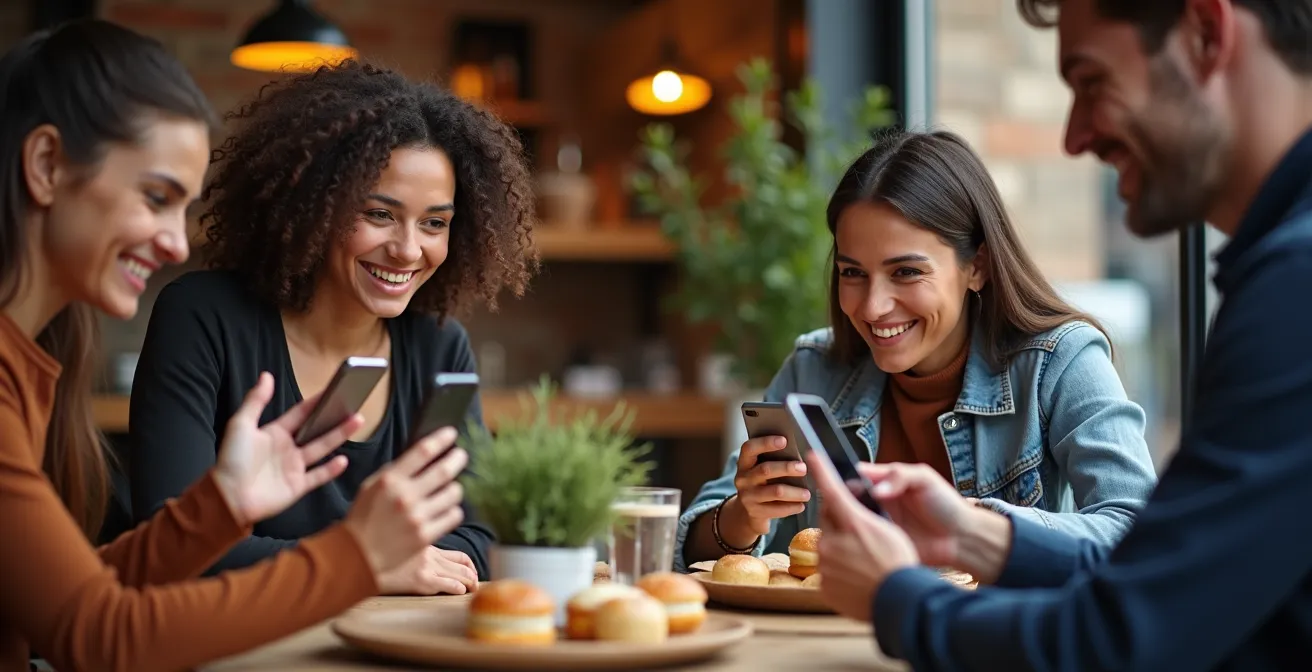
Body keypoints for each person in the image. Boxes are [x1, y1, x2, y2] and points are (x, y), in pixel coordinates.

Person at [808, 0, 1312, 669]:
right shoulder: (1279, 276)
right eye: (852, 272)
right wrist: (974, 535)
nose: (1075, 138)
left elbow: (1119, 641)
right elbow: (1175, 592)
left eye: (1091, 82)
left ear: (1206, 32)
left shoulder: (1294, 289)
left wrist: (896, 598)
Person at [0, 19, 471, 672]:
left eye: (436, 223)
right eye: (155, 198)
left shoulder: (33, 363)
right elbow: (99, 635)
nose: (176, 243)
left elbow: (77, 595)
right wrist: (357, 560)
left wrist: (217, 511)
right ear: (47, 166)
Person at [126, 58, 537, 595]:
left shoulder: (438, 346)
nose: (409, 249)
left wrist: (385, 565)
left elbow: (479, 535)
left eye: (434, 223)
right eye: (379, 214)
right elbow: (169, 544)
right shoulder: (203, 317)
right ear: (314, 204)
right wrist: (366, 564)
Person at [675, 128, 1158, 573]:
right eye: (852, 272)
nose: (873, 306)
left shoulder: (1061, 361)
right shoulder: (814, 369)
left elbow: (1142, 532)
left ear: (978, 267)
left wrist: (973, 527)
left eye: (906, 272)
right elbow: (689, 552)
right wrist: (743, 517)